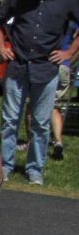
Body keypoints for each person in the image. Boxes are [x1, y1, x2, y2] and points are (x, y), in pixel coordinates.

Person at [0, 0, 79, 184]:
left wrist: (69, 53)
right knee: (10, 119)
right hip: (18, 65)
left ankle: (35, 170)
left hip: (46, 68)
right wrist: (1, 46)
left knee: (41, 123)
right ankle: (5, 165)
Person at [50, 21, 78, 159]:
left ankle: (32, 142)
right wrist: (69, 63)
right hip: (64, 65)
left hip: (46, 64)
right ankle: (58, 142)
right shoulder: (74, 17)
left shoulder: (51, 13)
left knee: (33, 105)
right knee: (54, 107)